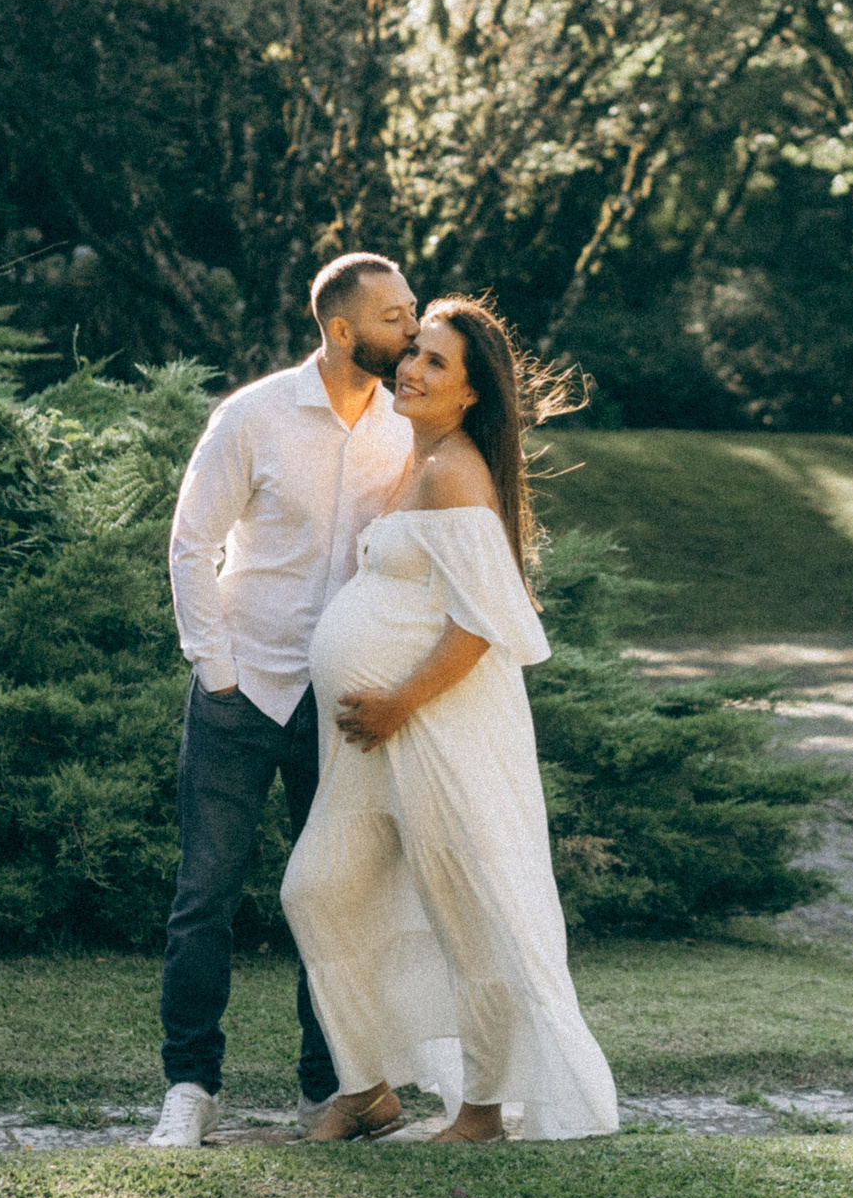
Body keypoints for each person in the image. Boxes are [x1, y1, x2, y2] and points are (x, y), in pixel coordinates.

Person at [281, 296, 621, 1144]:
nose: (412, 368)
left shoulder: (456, 470)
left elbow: (483, 621)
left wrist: (398, 700)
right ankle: (366, 1090)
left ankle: (482, 1110)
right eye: (414, 352)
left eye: (436, 361)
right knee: (317, 889)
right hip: (372, 739)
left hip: (436, 728)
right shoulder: (415, 458)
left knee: (472, 911)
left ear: (470, 392)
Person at [147, 253, 421, 1148]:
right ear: (341, 329)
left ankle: (324, 1090)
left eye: (412, 310)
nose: (412, 328)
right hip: (243, 691)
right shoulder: (253, 416)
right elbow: (192, 544)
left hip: (343, 704)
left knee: (332, 898)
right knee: (206, 896)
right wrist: (217, 672)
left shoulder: (405, 425)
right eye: (393, 315)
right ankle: (191, 1086)